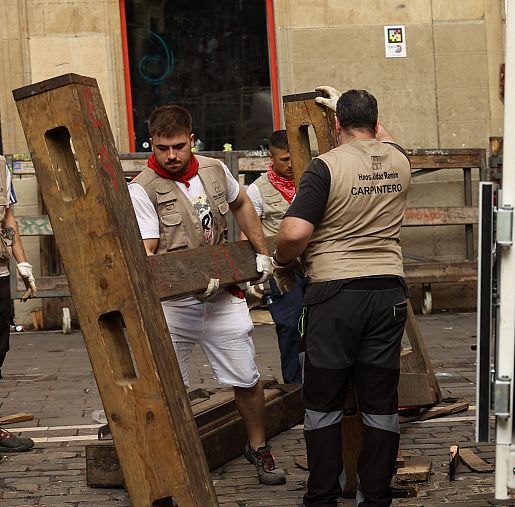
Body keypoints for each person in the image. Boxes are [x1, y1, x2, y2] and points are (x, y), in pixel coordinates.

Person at [128, 105, 285, 485]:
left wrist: (261, 253)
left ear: (192, 139)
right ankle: (177, 459)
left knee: (247, 378)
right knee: (170, 388)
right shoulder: (141, 189)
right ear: (152, 144)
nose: (171, 156)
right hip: (173, 305)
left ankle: (257, 447)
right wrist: (188, 278)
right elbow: (148, 253)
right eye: (162, 148)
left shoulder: (214, 169)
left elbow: (242, 203)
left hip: (223, 295)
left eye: (179, 146)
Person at [274, 87, 411, 507]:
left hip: (335, 294)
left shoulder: (324, 167)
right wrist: (348, 105)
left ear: (335, 125)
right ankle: (375, 497)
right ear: (375, 120)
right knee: (380, 403)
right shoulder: (400, 160)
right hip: (388, 292)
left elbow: (296, 233)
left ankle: (322, 497)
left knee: (323, 403)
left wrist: (281, 261)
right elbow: (382, 138)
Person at [245, 130, 305, 384]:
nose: (290, 165)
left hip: (315, 264)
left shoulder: (310, 179)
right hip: (282, 270)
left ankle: (325, 386)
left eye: (293, 158)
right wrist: (256, 272)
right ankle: (295, 388)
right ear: (271, 157)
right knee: (290, 326)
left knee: (320, 327)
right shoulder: (257, 190)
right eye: (283, 160)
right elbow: (250, 230)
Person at [0, 155, 38, 380]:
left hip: (0, 269)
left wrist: (23, 264)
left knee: (1, 334)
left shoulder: (0, 166)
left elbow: (8, 218)